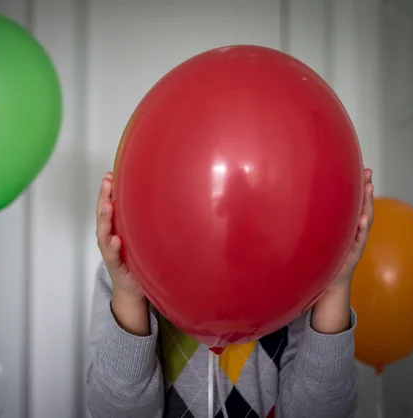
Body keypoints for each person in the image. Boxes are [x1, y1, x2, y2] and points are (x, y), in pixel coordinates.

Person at [85, 168, 375, 418]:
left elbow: (323, 412)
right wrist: (129, 295)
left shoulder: (301, 275)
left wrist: (335, 285)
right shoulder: (126, 269)